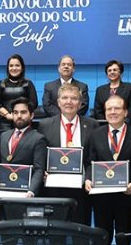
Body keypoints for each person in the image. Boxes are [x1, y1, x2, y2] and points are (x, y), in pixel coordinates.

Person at [85, 95, 131, 245]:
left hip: (127, 197)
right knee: (102, 239)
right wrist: (88, 179)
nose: (113, 112)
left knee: (124, 240)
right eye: (109, 109)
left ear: (125, 112)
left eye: (117, 108)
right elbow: (89, 163)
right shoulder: (95, 135)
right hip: (101, 198)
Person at [37, 83, 97, 224]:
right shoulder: (44, 125)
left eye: (74, 98)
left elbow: (93, 157)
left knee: (81, 230)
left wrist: (89, 177)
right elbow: (41, 155)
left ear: (80, 103)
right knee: (55, 230)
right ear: (58, 102)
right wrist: (42, 170)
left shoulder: (92, 125)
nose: (69, 102)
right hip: (54, 188)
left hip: (81, 187)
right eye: (65, 98)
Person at [0, 97, 47, 197]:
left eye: (23, 112)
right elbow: (1, 163)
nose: (19, 116)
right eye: (15, 112)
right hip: (5, 190)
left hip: (25, 192)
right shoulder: (4, 136)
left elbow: (39, 169)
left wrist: (31, 191)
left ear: (31, 115)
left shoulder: (38, 139)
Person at [0, 54, 37, 131]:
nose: (14, 68)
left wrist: (19, 114)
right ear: (8, 68)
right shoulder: (1, 84)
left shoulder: (28, 84)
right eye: (11, 66)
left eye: (17, 65)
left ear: (22, 68)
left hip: (23, 121)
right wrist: (7, 115)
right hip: (4, 122)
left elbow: (33, 103)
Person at [92, 60, 131, 125]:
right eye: (109, 70)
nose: (112, 72)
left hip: (125, 125)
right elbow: (98, 111)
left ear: (120, 72)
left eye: (115, 70)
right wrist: (106, 125)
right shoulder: (100, 90)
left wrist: (124, 124)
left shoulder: (129, 87)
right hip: (105, 126)